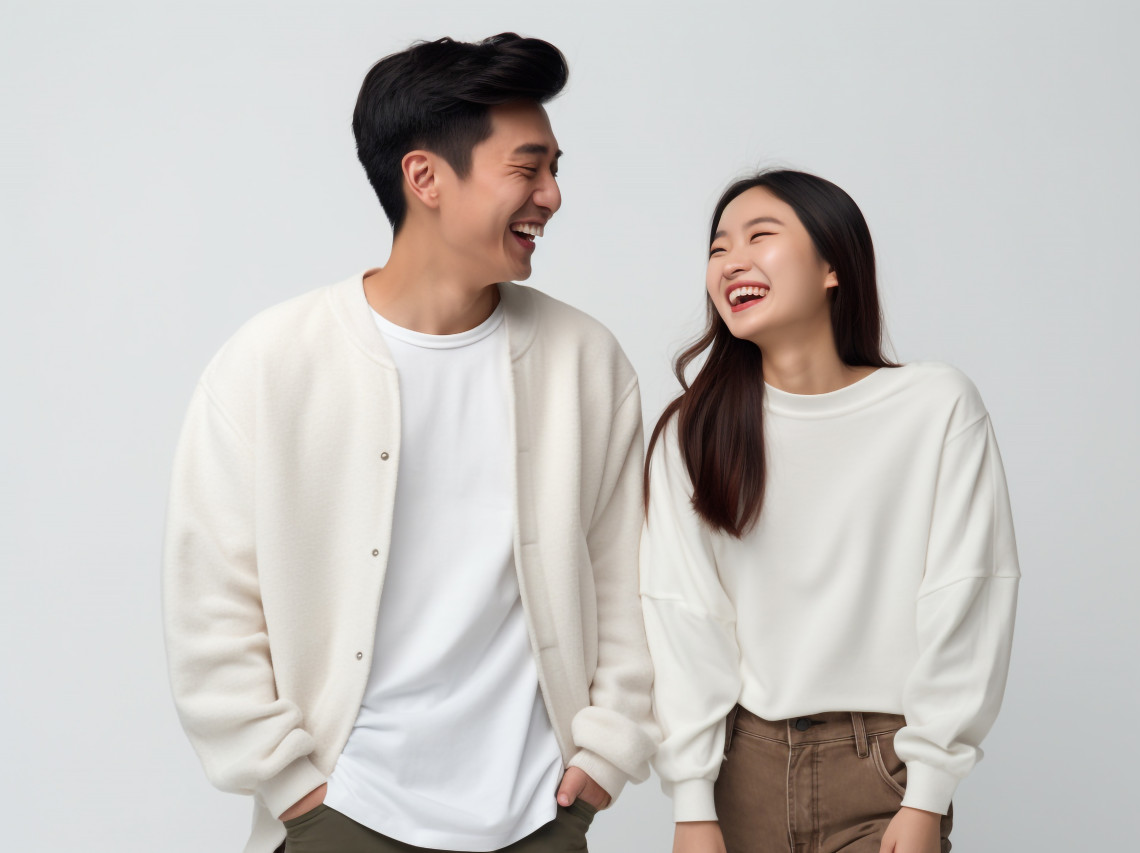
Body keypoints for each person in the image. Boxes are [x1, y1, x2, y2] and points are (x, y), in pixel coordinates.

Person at [163, 33, 655, 853]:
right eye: (527, 168)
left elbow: (632, 580)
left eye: (555, 168)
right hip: (345, 814)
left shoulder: (584, 362)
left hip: (538, 812)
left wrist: (604, 758)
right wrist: (297, 789)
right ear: (425, 176)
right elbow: (209, 604)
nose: (553, 195)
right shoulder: (273, 361)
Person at [640, 169, 1021, 853]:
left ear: (833, 267)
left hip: (883, 767)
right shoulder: (696, 431)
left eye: (761, 236)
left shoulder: (935, 407)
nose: (731, 261)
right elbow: (685, 618)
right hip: (742, 769)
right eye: (718, 247)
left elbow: (965, 595)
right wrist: (692, 805)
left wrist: (927, 792)